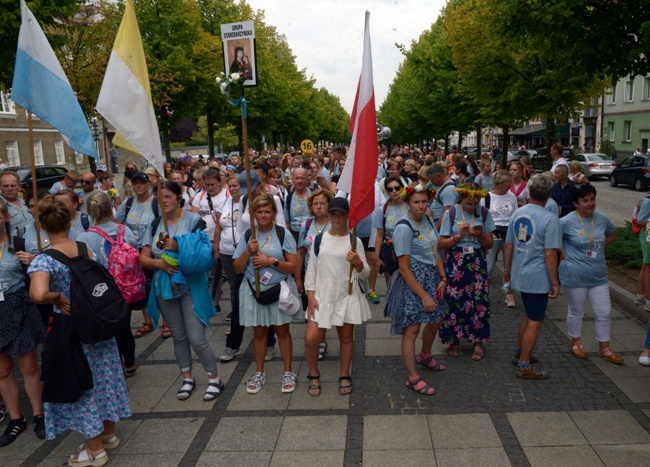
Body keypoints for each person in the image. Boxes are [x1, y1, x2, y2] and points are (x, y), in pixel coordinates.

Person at [28, 196, 130, 465]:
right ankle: (109, 434)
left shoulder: (44, 260)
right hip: (99, 327)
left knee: (83, 385)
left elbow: (37, 294)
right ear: (70, 220)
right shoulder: (86, 249)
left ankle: (95, 449)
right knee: (104, 380)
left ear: (42, 225)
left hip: (73, 333)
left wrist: (56, 297)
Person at [140, 181, 222, 402]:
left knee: (197, 338)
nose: (163, 201)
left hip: (190, 286)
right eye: (160, 197)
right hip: (164, 288)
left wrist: (179, 247)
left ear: (179, 198)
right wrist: (159, 265)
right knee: (178, 337)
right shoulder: (155, 223)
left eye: (167, 196)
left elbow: (205, 257)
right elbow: (143, 258)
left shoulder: (194, 221)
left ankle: (213, 379)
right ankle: (187, 377)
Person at [384, 183, 447, 395]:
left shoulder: (428, 219)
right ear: (408, 203)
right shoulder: (403, 227)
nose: (421, 206)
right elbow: (403, 268)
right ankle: (412, 377)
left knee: (437, 318)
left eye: (424, 201)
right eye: (416, 202)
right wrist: (424, 296)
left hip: (431, 277)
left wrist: (443, 277)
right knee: (412, 329)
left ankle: (426, 355)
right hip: (414, 280)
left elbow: (435, 250)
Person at [232, 195, 299, 394]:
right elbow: (236, 269)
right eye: (259, 212)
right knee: (259, 333)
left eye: (267, 211)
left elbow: (294, 266)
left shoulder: (282, 233)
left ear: (274, 213)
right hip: (253, 289)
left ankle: (288, 372)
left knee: (282, 331)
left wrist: (271, 262)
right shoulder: (247, 236)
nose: (263, 215)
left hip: (278, 289)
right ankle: (259, 372)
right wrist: (246, 252)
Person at [304, 198, 371, 396]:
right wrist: (310, 295)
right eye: (333, 214)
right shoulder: (319, 239)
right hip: (322, 294)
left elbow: (365, 274)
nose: (337, 218)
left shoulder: (354, 241)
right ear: (328, 215)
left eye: (341, 214)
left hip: (346, 294)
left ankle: (344, 374)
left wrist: (358, 262)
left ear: (347, 216)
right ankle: (313, 374)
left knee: (346, 337)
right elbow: (312, 270)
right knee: (311, 338)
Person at [503, 174, 562, 379]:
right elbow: (550, 253)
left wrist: (507, 272)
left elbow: (509, 245)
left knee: (528, 316)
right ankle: (524, 364)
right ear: (549, 193)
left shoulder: (518, 213)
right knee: (535, 321)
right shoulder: (549, 218)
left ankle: (520, 351)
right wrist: (555, 282)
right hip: (538, 277)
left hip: (521, 272)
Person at [77, 192, 139, 378]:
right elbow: (135, 249)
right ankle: (130, 361)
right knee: (124, 326)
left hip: (101, 291)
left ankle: (114, 366)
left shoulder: (84, 237)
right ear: (111, 207)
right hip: (125, 287)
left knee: (106, 326)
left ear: (90, 212)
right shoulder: (124, 230)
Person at [558, 184, 622, 363]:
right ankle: (576, 342)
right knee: (576, 310)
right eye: (585, 200)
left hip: (598, 275)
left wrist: (601, 247)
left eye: (592, 199)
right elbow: (553, 238)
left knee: (604, 312)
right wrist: (561, 251)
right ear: (575, 203)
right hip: (574, 275)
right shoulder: (566, 221)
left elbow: (613, 232)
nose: (590, 203)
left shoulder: (602, 219)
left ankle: (605, 348)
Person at [0, 199, 46, 447]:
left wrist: (33, 261)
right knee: (3, 370)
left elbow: (40, 267)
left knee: (28, 365)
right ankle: (16, 419)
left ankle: (39, 414)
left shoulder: (17, 243)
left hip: (18, 305)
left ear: (5, 218)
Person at [438, 182, 495, 359]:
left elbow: (490, 244)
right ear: (461, 198)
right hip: (456, 261)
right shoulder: (451, 213)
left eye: (475, 203)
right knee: (454, 300)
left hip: (477, 261)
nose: (472, 206)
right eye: (468, 203)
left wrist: (480, 235)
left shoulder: (484, 214)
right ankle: (454, 339)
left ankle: (477, 340)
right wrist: (459, 235)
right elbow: (441, 243)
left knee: (478, 300)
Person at [214, 176, 245, 362]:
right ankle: (233, 343)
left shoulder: (247, 202)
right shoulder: (225, 202)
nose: (233, 189)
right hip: (227, 254)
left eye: (236, 186)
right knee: (235, 294)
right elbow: (219, 226)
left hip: (244, 255)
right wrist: (216, 248)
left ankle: (267, 340)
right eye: (231, 186)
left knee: (245, 295)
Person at [482, 170, 518, 308]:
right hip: (492, 232)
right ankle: (485, 295)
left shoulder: (512, 197)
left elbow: (515, 216)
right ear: (500, 183)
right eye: (509, 182)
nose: (511, 184)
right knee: (489, 267)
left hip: (508, 232)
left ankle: (508, 293)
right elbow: (483, 216)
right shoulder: (486, 197)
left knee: (508, 267)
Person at [373, 176, 407, 285]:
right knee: (392, 286)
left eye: (397, 188)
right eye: (390, 189)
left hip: (409, 250)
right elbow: (379, 235)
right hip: (390, 251)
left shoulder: (409, 206)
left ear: (402, 187)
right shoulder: (383, 210)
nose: (394, 191)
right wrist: (377, 257)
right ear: (386, 191)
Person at [428, 162, 458, 229]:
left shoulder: (448, 190)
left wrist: (436, 230)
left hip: (441, 227)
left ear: (439, 176)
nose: (431, 182)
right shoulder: (443, 187)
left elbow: (447, 214)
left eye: (432, 179)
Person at [284, 167, 311, 241]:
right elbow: (287, 222)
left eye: (302, 178)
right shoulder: (289, 197)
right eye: (297, 178)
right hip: (294, 235)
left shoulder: (313, 196)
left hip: (310, 235)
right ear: (292, 179)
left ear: (307, 180)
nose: (299, 181)